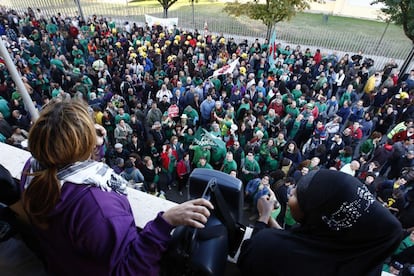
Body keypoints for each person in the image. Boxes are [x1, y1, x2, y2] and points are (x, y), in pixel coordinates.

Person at [20, 99, 213, 275]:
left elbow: (74, 164)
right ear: (84, 143)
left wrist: (94, 146)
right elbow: (129, 270)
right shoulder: (99, 209)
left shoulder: (32, 170)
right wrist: (164, 223)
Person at [238, 169, 402, 276]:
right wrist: (270, 220)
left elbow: (252, 255)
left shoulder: (270, 247)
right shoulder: (363, 261)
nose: (289, 196)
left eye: (296, 195)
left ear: (320, 215)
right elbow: (300, 242)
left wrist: (263, 218)